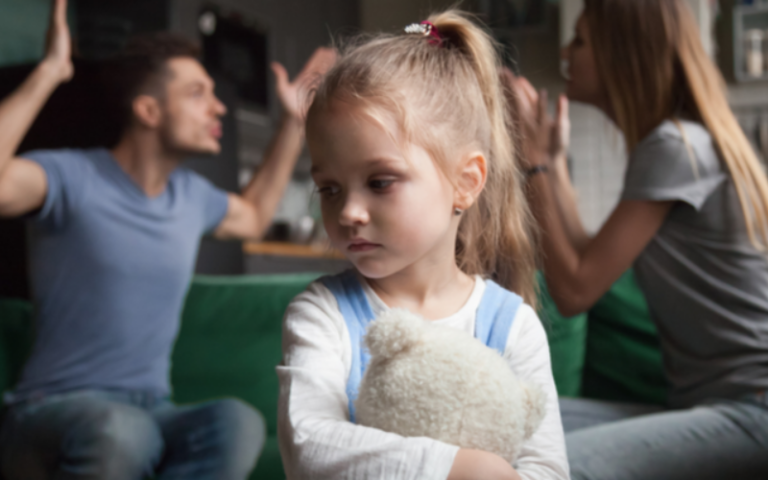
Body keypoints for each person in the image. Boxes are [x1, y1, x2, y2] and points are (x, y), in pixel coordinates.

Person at [0, 0, 336, 478]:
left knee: (236, 422)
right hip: (49, 408)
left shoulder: (191, 196)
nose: (219, 106)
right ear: (148, 110)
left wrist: (292, 122)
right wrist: (50, 71)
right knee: (123, 432)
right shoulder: (72, 177)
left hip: (152, 407)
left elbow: (254, 216)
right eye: (198, 93)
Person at [276, 10, 569, 480]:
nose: (348, 211)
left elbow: (548, 470)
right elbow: (309, 444)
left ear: (465, 182)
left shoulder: (514, 326)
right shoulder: (322, 312)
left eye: (380, 181)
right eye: (329, 189)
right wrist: (460, 468)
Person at [506, 0, 768, 478]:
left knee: (550, 468)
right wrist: (555, 160)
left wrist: (533, 163)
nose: (566, 50)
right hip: (711, 406)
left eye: (581, 40)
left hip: (752, 410)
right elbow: (588, 253)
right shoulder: (676, 142)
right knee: (508, 425)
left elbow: (575, 291)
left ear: (621, 54)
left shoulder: (673, 146)